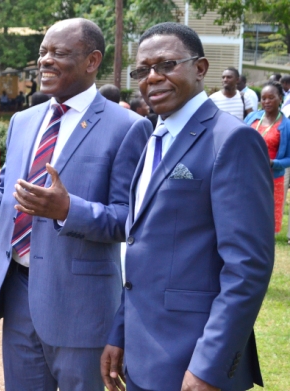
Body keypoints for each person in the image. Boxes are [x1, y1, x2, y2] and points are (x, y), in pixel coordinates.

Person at [0, 18, 151, 390]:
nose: (45, 60)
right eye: (43, 52)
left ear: (92, 61)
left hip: (81, 308)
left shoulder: (126, 127)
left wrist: (67, 210)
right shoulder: (24, 121)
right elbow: (13, 198)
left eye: (59, 53)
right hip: (18, 300)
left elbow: (129, 221)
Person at [101, 22, 274, 391]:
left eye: (166, 64)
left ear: (200, 68)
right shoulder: (154, 137)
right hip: (142, 356)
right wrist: (120, 332)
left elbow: (247, 268)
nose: (153, 77)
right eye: (143, 69)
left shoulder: (232, 140)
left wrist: (209, 366)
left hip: (191, 363)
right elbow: (140, 250)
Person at [244, 81, 290, 233]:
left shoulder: (286, 125)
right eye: (263, 98)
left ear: (280, 99)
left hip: (271, 180)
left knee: (266, 225)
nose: (266, 101)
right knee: (246, 218)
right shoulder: (252, 118)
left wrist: (273, 163)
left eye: (271, 97)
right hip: (248, 177)